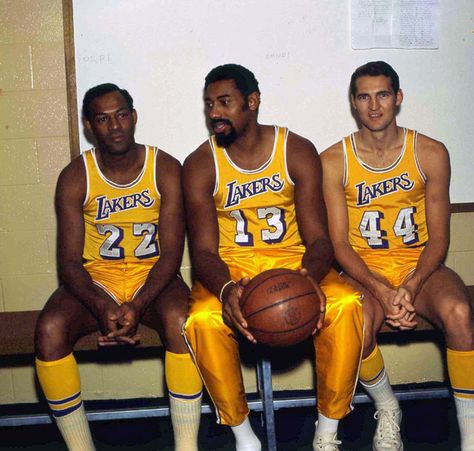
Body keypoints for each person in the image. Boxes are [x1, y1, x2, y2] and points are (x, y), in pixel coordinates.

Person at [182, 63, 364, 451]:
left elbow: (319, 240)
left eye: (225, 102)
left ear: (252, 102)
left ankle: (327, 434)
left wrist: (310, 279)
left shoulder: (295, 149)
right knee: (202, 318)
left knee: (346, 304)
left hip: (296, 265)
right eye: (209, 104)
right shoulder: (200, 163)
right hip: (233, 270)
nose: (215, 112)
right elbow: (202, 252)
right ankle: (244, 437)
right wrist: (228, 288)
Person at [34, 83, 203, 451]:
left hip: (154, 277)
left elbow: (172, 254)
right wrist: (100, 305)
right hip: (99, 279)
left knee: (183, 322)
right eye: (103, 118)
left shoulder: (166, 167)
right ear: (89, 126)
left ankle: (187, 446)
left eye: (122, 115)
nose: (115, 126)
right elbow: (69, 263)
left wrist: (138, 304)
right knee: (49, 329)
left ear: (134, 116)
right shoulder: (76, 176)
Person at [321, 61, 474, 451]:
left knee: (459, 312)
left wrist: (409, 285)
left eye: (383, 95)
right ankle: (388, 407)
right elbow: (340, 245)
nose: (374, 106)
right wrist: (383, 291)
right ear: (354, 103)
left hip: (418, 267)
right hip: (364, 271)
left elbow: (439, 239)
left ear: (398, 98)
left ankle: (471, 438)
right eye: (364, 97)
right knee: (354, 320)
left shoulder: (430, 152)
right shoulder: (334, 160)